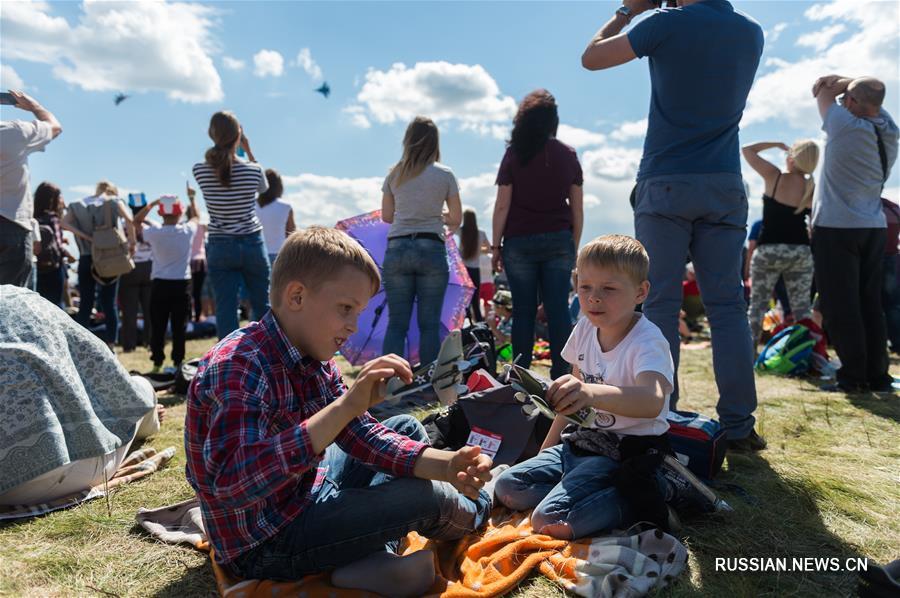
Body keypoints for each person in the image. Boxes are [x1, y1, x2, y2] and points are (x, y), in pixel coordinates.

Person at [185, 227, 492, 596]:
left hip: (306, 494)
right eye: (346, 308)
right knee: (424, 498)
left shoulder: (312, 353)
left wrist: (448, 465)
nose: (353, 326)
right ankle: (481, 505)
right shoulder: (238, 366)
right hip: (266, 543)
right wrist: (346, 407)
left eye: (359, 312)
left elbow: (361, 435)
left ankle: (371, 560)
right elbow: (232, 484)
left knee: (406, 427)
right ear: (297, 296)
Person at [581, 0, 765, 451]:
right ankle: (740, 425)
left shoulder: (664, 24)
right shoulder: (751, 32)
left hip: (666, 180)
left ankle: (662, 416)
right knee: (727, 307)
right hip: (723, 183)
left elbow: (592, 57)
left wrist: (629, 10)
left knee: (659, 303)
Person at [494, 235, 674, 539]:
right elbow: (571, 403)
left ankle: (644, 495)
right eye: (585, 286)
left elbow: (652, 401)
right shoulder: (585, 328)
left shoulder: (648, 340)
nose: (594, 297)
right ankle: (586, 494)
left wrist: (590, 393)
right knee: (508, 487)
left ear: (640, 292)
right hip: (582, 443)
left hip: (626, 453)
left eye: (609, 288)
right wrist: (545, 452)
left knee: (548, 518)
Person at [0, 285, 161, 507]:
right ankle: (150, 418)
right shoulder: (21, 299)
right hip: (54, 474)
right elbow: (101, 364)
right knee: (139, 388)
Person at [811, 75, 898, 392]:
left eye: (846, 98)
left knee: (840, 305)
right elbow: (871, 93)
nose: (841, 102)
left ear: (854, 103)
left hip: (836, 227)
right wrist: (852, 84)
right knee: (869, 304)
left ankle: (852, 377)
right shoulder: (889, 130)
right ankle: (878, 375)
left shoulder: (843, 126)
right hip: (873, 227)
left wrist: (838, 84)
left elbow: (821, 91)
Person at [492, 89, 584, 379]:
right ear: (553, 121)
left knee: (523, 312)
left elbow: (502, 204)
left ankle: (519, 375)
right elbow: (578, 208)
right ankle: (562, 377)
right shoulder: (567, 154)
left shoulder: (513, 155)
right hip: (558, 238)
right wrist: (574, 246)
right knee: (558, 311)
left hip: (518, 241)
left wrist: (496, 246)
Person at [381, 117, 462, 365]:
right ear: (435, 142)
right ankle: (428, 385)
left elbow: (386, 216)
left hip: (398, 248)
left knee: (397, 323)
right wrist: (435, 214)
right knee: (429, 324)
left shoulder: (395, 174)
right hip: (431, 249)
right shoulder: (445, 174)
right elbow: (456, 218)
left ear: (408, 141)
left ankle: (387, 383)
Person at [193, 111, 271, 339]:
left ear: (211, 135)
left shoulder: (199, 170)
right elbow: (264, 188)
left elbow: (219, 166)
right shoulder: (253, 170)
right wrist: (248, 151)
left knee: (225, 307)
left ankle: (228, 360)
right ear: (239, 135)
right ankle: (268, 353)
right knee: (262, 303)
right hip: (252, 242)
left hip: (220, 244)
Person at [742, 140, 819, 345]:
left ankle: (748, 356)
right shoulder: (811, 186)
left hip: (770, 249)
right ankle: (806, 356)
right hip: (800, 251)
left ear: (793, 157)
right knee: (803, 308)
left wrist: (776, 144)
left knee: (757, 307)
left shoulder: (774, 176)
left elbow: (747, 150)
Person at [63, 181, 137, 348]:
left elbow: (64, 223)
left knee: (85, 303)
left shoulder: (78, 204)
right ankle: (111, 345)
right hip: (108, 257)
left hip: (86, 256)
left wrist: (86, 237)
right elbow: (129, 220)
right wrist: (132, 243)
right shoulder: (113, 201)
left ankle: (80, 345)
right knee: (109, 303)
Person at [1, 91, 62, 287]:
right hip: (11, 225)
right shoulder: (13, 132)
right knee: (11, 309)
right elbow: (55, 127)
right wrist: (35, 107)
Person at [133, 195, 199, 373]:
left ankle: (157, 363)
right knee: (180, 326)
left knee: (158, 326)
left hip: (160, 284)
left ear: (161, 214)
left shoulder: (154, 233)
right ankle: (178, 362)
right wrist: (192, 199)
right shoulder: (186, 231)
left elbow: (136, 221)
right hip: (181, 284)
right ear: (180, 212)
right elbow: (196, 217)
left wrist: (152, 204)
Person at [118, 193, 154, 352]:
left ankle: (129, 345)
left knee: (129, 310)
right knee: (150, 309)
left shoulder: (124, 225)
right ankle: (151, 341)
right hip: (150, 267)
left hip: (129, 268)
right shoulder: (153, 224)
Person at [32, 182, 67, 306]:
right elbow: (58, 245)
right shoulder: (53, 218)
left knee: (38, 304)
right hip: (53, 268)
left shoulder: (32, 217)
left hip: (36, 266)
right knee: (56, 305)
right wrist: (68, 254)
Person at [255, 168, 296, 266]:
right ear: (279, 186)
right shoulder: (285, 207)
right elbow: (292, 235)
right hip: (279, 255)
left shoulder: (250, 205)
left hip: (254, 253)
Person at [458, 209, 490, 322]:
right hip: (475, 270)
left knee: (462, 302)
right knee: (475, 302)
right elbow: (489, 248)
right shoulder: (481, 233)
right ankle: (480, 327)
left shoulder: (459, 231)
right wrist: (479, 250)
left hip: (462, 271)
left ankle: (464, 326)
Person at [882, 198, 900, 355]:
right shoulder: (893, 208)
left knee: (870, 303)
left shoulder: (867, 207)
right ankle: (897, 342)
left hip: (871, 259)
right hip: (892, 259)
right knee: (892, 304)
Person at [187, 198, 208, 322]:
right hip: (200, 262)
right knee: (198, 293)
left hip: (189, 262)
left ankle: (189, 317)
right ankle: (198, 317)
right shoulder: (202, 226)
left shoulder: (186, 226)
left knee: (189, 293)